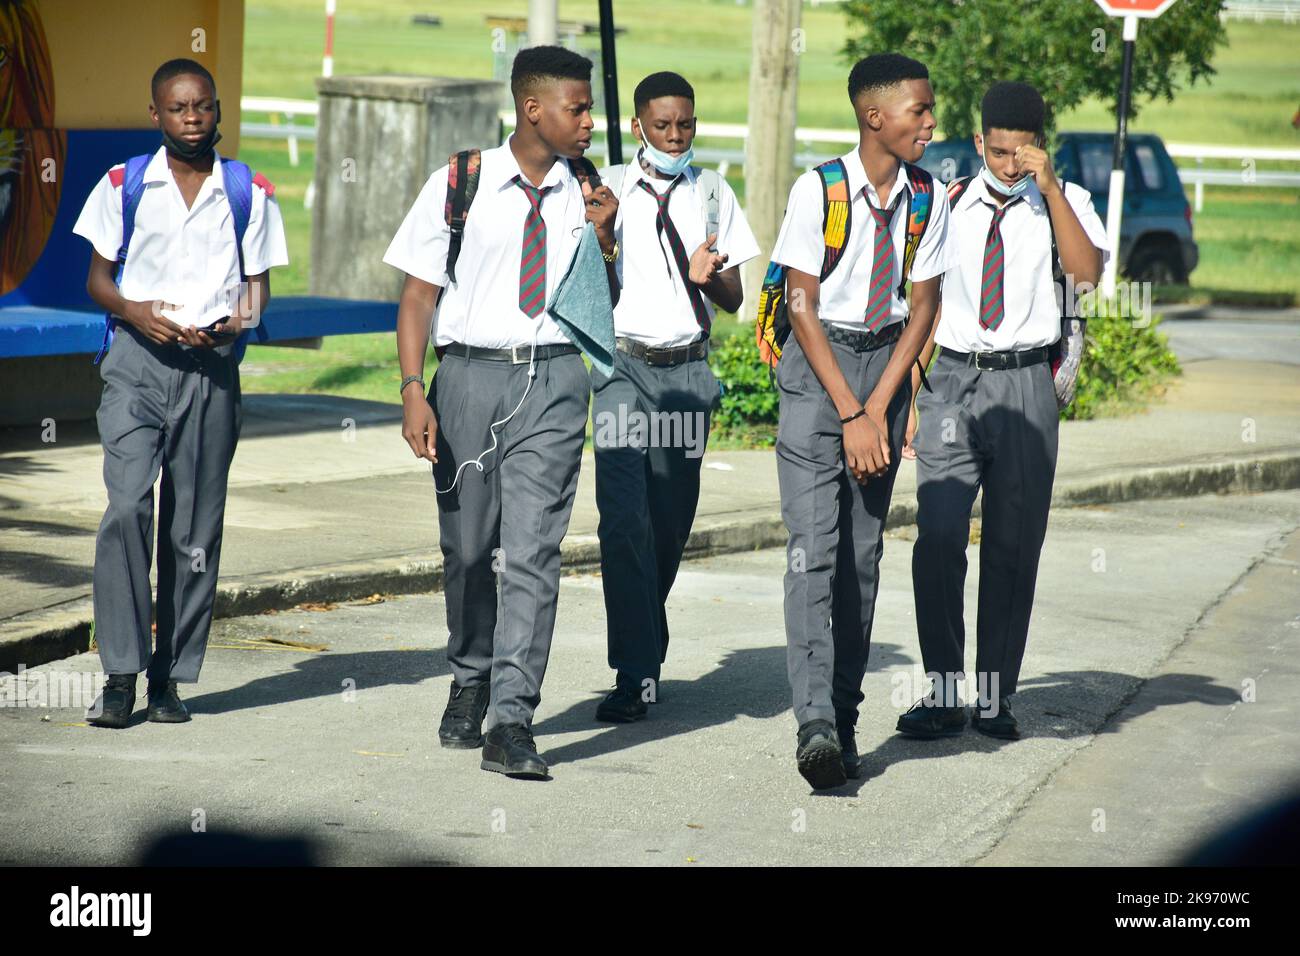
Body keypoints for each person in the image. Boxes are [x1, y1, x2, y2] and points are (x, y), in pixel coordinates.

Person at [384, 45, 619, 779]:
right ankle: (470, 673)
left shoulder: (592, 190)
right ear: (533, 108)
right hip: (466, 380)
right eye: (577, 108)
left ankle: (513, 718)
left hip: (552, 382)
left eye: (588, 108)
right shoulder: (461, 183)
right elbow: (419, 295)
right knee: (466, 548)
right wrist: (412, 388)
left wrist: (608, 236)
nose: (589, 122)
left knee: (535, 551)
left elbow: (608, 303)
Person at [74, 58, 288, 728]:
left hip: (210, 371)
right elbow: (98, 281)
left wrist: (237, 324)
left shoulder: (248, 190)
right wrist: (136, 313)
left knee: (193, 527)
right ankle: (118, 673)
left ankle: (169, 676)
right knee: (127, 509)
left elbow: (258, 287)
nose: (192, 119)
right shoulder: (124, 186)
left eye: (202, 107)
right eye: (178, 109)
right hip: (136, 367)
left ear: (218, 111)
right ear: (156, 115)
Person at [899, 81, 1106, 741]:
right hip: (952, 382)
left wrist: (1049, 192)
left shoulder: (1067, 203)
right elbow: (922, 305)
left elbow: (1086, 276)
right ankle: (941, 692)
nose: (1011, 163)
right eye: (1000, 149)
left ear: (1040, 147)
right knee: (936, 539)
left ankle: (993, 697)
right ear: (981, 138)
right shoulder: (947, 201)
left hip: (1026, 386)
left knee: (1013, 549)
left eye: (1024, 152)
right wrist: (907, 397)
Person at [769, 53, 950, 789]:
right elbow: (799, 305)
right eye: (920, 112)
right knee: (813, 549)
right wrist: (849, 409)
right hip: (819, 372)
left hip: (885, 369)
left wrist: (879, 408)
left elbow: (926, 304)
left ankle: (842, 712)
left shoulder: (926, 197)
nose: (932, 125)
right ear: (875, 117)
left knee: (859, 559)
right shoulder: (821, 191)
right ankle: (814, 721)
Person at [589, 71, 760, 722]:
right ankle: (635, 670)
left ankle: (643, 639)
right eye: (662, 125)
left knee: (666, 525)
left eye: (685, 124)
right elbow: (587, 291)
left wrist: (704, 273)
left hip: (687, 378)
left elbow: (736, 297)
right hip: (622, 371)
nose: (675, 135)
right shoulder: (606, 189)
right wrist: (604, 238)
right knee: (622, 518)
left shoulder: (713, 193)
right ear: (639, 126)